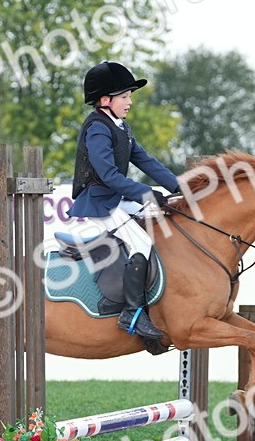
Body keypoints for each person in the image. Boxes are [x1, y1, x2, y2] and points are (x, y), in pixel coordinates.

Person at [70, 61, 181, 340]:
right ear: (105, 100)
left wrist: (180, 186)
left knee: (160, 218)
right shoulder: (98, 128)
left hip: (114, 199)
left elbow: (146, 161)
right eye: (125, 96)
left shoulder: (121, 127)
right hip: (99, 202)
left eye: (129, 96)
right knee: (141, 242)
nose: (130, 102)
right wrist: (146, 193)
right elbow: (108, 175)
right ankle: (132, 312)